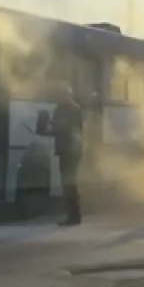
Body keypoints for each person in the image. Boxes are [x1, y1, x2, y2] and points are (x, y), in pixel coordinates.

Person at [50, 84, 85, 226]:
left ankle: (74, 215)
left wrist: (57, 126)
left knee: (69, 183)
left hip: (71, 150)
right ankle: (72, 215)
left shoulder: (74, 109)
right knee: (67, 184)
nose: (59, 97)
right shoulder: (60, 109)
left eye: (61, 94)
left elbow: (74, 129)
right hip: (64, 149)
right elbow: (58, 128)